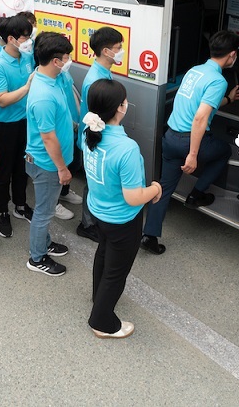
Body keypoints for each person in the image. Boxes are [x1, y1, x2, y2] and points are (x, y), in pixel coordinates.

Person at [142, 30, 239, 255]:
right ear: (232, 55)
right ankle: (197, 193)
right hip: (189, 141)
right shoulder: (218, 80)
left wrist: (228, 99)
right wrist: (193, 154)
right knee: (224, 150)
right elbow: (200, 118)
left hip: (170, 138)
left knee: (165, 188)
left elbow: (199, 106)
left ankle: (149, 234)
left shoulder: (195, 71)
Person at [82, 79, 162, 338]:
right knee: (117, 271)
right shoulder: (126, 148)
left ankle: (99, 297)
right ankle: (102, 321)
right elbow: (133, 197)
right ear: (120, 108)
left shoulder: (89, 133)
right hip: (121, 219)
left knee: (104, 254)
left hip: (98, 210)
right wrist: (156, 189)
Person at [24, 32, 76, 276]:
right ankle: (37, 258)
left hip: (49, 163)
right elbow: (48, 137)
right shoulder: (43, 95)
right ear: (56, 61)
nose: (68, 61)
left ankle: (44, 244)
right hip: (47, 165)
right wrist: (62, 169)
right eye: (66, 58)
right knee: (43, 213)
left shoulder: (49, 79)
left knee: (45, 209)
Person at [0, 15, 37, 239]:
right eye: (25, 37)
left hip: (24, 122)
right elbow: (2, 100)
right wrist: (27, 88)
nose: (29, 40)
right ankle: (2, 211)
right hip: (3, 126)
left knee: (21, 167)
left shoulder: (26, 57)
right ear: (11, 39)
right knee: (2, 170)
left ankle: (20, 204)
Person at [75, 27, 126, 242]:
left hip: (96, 136)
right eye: (118, 48)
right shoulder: (96, 79)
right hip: (94, 137)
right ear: (106, 51)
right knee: (93, 183)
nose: (121, 51)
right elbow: (95, 116)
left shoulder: (102, 72)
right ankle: (87, 224)